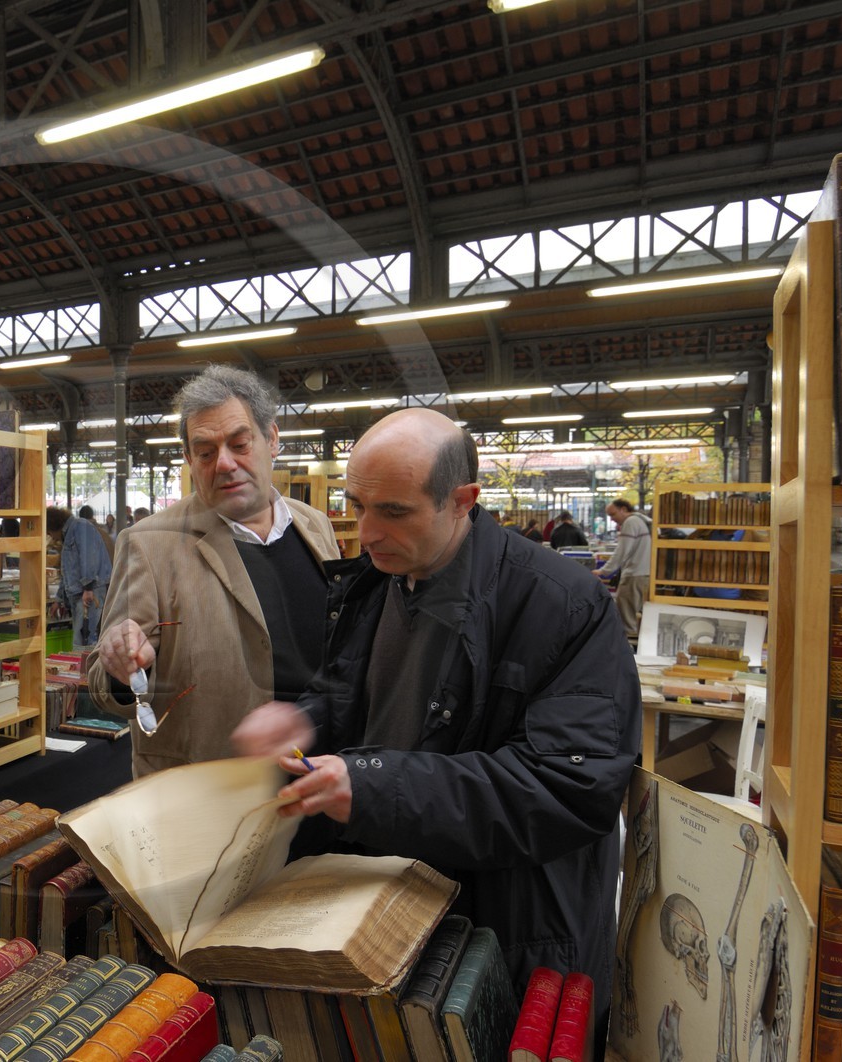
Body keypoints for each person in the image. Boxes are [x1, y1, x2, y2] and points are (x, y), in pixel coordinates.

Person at [231, 408, 639, 1041]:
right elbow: (350, 694)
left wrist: (370, 784)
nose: (367, 532)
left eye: (394, 511)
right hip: (384, 915)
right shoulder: (377, 583)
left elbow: (566, 786)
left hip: (499, 935)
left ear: (462, 502)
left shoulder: (560, 603)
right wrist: (303, 718)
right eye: (357, 506)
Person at [86, 364, 340, 776]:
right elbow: (103, 683)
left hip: (318, 774)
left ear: (272, 439)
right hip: (209, 785)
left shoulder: (315, 526)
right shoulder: (149, 544)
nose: (224, 463)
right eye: (205, 452)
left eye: (240, 444)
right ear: (189, 459)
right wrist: (123, 667)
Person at [46, 506, 113, 648]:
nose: (51, 537)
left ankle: (87, 663)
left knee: (84, 641)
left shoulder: (80, 527)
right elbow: (68, 572)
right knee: (81, 640)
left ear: (53, 526)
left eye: (49, 532)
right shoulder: (69, 534)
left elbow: (88, 558)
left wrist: (88, 588)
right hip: (81, 593)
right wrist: (59, 599)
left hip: (90, 592)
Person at [596, 498, 652, 641]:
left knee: (627, 618)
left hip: (634, 574)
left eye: (613, 514)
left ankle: (629, 647)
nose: (612, 519)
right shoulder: (643, 520)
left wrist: (603, 571)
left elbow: (622, 551)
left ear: (623, 509)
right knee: (636, 614)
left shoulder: (630, 522)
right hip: (645, 573)